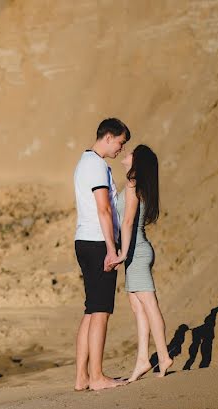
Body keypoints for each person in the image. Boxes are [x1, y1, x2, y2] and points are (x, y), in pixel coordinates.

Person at [73, 118, 129, 391]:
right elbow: (103, 208)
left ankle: (82, 377)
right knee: (101, 311)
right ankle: (96, 376)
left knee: (91, 310)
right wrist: (112, 248)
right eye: (120, 142)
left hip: (84, 240)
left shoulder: (84, 162)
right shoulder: (95, 165)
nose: (120, 148)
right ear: (108, 137)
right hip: (97, 243)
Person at [114, 144, 174, 381]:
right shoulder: (138, 184)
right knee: (137, 307)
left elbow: (127, 222)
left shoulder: (133, 183)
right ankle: (142, 359)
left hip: (136, 253)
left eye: (130, 153)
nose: (125, 154)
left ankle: (163, 354)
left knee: (149, 305)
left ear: (137, 161)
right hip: (136, 252)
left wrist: (121, 253)